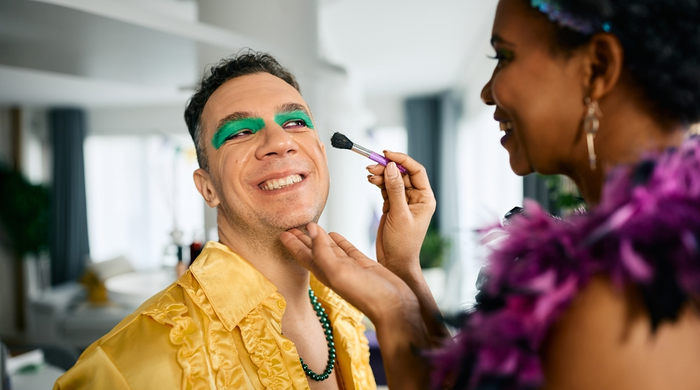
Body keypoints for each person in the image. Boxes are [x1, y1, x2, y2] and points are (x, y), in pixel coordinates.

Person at [280, 0, 700, 389]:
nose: (487, 91)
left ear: (598, 67)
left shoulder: (627, 295)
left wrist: (392, 313)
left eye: (504, 56)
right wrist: (402, 268)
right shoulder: (625, 253)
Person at [54, 52, 376, 390]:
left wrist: (406, 273)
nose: (280, 142)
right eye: (239, 132)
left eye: (295, 122)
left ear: (322, 156)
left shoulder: (346, 312)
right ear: (208, 188)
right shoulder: (122, 367)